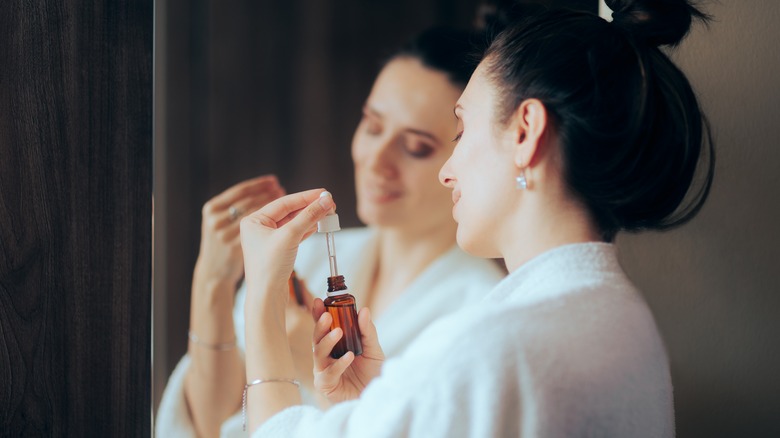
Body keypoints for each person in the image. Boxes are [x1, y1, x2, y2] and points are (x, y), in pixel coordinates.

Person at [237, 0, 715, 436]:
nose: (448, 171)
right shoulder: (623, 319)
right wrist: (376, 405)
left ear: (525, 132)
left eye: (461, 130)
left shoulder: (488, 347)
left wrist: (262, 294)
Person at [155, 26, 506, 437]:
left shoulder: (480, 312)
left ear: (461, 158)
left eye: (416, 148)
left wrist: (310, 368)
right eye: (373, 127)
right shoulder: (304, 255)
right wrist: (212, 283)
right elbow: (210, 425)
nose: (376, 161)